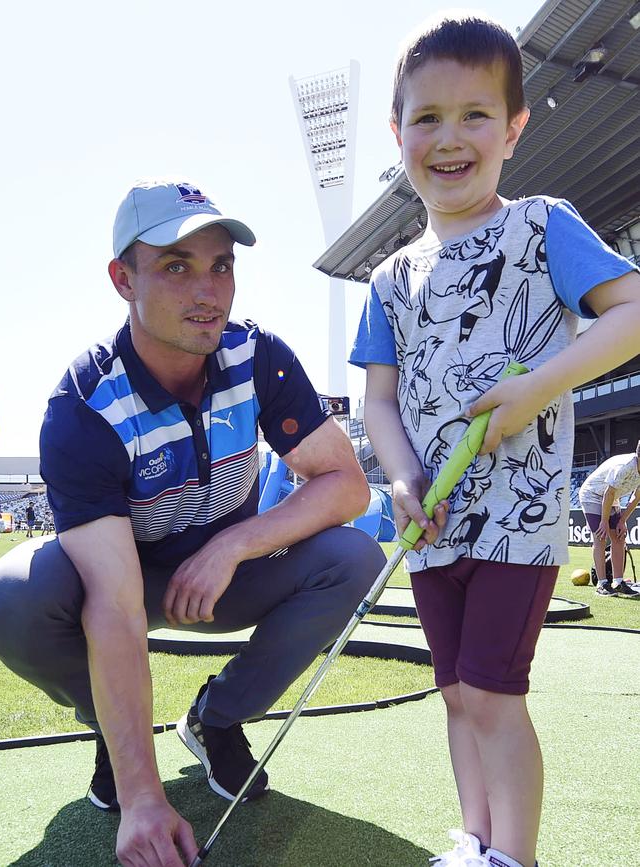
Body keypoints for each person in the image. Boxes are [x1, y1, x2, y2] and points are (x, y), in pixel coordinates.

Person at [0, 177, 395, 867]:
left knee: (354, 557)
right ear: (123, 279)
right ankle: (119, 742)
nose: (208, 291)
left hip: (227, 577)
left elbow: (347, 486)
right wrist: (145, 799)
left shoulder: (258, 356)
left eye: (221, 266)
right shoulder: (85, 404)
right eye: (177, 267)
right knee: (12, 593)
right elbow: (115, 608)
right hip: (127, 586)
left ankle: (218, 718)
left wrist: (235, 543)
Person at [350, 14, 640, 867]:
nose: (448, 138)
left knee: (493, 694)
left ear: (514, 128)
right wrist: (401, 479)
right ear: (397, 132)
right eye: (426, 118)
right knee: (453, 695)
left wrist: (535, 387)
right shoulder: (387, 278)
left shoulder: (544, 225)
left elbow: (630, 314)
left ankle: (515, 857)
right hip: (431, 528)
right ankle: (476, 842)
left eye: (475, 115)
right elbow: (378, 402)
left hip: (518, 521)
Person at [578, 443, 640, 597]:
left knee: (619, 537)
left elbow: (637, 496)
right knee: (600, 536)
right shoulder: (626, 466)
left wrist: (622, 521)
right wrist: (604, 522)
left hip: (612, 498)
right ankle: (602, 584)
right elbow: (608, 493)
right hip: (592, 494)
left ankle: (618, 582)